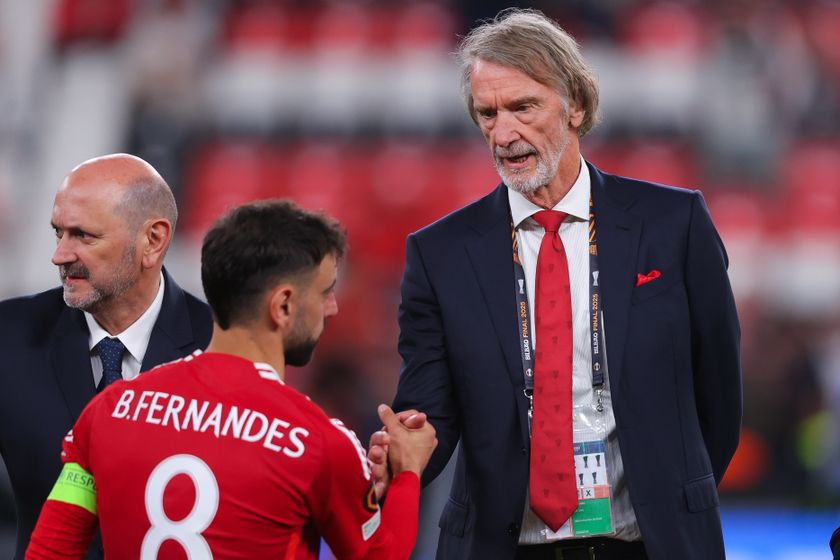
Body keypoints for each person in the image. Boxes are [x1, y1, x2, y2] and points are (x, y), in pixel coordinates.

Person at [372, 8, 742, 560]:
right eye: (487, 113)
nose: (504, 133)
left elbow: (720, 392)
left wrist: (673, 493)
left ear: (578, 107)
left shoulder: (674, 224)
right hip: (505, 547)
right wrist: (406, 451)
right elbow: (430, 410)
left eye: (523, 107)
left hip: (649, 545)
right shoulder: (439, 253)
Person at [25, 199, 438, 559]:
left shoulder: (108, 410)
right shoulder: (318, 443)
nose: (332, 308)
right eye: (325, 291)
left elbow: (50, 550)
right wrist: (406, 473)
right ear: (284, 304)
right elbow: (380, 554)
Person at [0, 153, 213, 559]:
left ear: (153, 240)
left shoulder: (220, 343)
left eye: (83, 236)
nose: (59, 256)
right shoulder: (9, 336)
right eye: (58, 233)